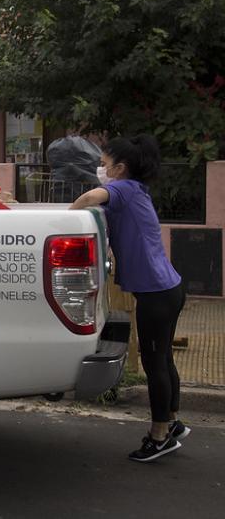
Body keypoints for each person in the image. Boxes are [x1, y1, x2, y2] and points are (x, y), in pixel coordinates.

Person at [70, 134, 189, 463]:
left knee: (155, 365)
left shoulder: (121, 188)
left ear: (120, 169)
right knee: (164, 359)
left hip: (156, 294)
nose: (101, 169)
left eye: (105, 165)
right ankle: (173, 422)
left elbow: (93, 195)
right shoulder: (137, 189)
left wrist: (67, 215)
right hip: (169, 287)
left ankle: (159, 435)